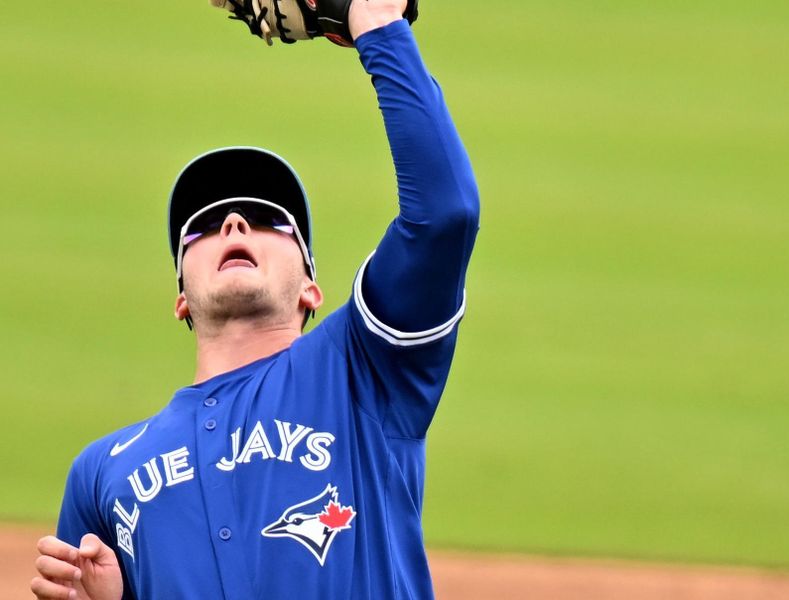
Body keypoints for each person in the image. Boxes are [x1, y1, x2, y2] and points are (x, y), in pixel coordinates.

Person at [31, 0, 479, 598]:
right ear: (181, 298)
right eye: (205, 224)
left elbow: (445, 215)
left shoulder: (363, 371)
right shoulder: (101, 474)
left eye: (269, 220)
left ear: (310, 288)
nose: (235, 223)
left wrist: (376, 25)